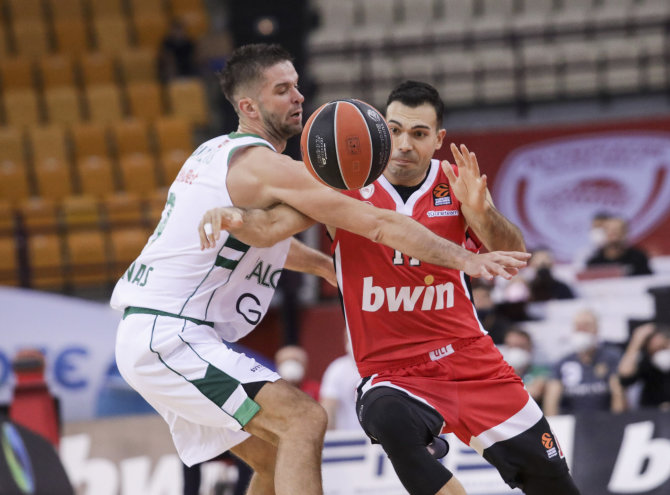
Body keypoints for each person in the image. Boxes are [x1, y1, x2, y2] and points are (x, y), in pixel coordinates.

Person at [113, 45, 528, 495]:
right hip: (172, 336)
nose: (298, 97)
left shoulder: (215, 152)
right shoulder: (263, 166)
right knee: (304, 420)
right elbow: (378, 222)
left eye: (296, 85)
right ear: (249, 106)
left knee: (275, 459)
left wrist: (326, 267)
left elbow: (267, 239)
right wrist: (466, 258)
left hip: (162, 334)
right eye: (282, 90)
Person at [200, 79, 575, 495]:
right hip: (392, 371)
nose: (404, 144)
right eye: (394, 130)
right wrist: (238, 220)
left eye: (418, 134)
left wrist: (482, 212)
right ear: (379, 130)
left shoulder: (455, 184)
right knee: (387, 416)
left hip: (471, 361)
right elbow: (272, 231)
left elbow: (514, 257)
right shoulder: (340, 184)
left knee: (556, 485)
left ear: (438, 140)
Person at [543, 309, 626, 416]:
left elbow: (618, 394)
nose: (582, 330)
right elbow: (551, 401)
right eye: (578, 326)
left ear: (596, 329)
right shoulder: (563, 362)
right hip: (571, 422)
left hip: (604, 420)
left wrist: (617, 422)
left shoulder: (611, 357)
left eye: (587, 326)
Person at [618, 322, 670, 410]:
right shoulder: (646, 363)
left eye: (663, 348)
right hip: (651, 414)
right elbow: (624, 377)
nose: (661, 354)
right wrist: (636, 342)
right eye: (655, 351)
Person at [319, 332, 361, 431]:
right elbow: (328, 406)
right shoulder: (337, 368)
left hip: (376, 438)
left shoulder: (380, 367)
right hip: (346, 437)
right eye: (348, 337)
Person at [586, 216, 653, 276]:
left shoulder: (638, 258)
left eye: (617, 230)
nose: (613, 233)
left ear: (625, 232)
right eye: (608, 230)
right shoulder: (594, 262)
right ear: (603, 233)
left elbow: (646, 279)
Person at [498, 327, 549, 405]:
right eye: (511, 347)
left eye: (520, 347)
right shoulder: (497, 373)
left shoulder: (540, 370)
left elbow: (534, 392)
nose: (515, 351)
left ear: (530, 347)